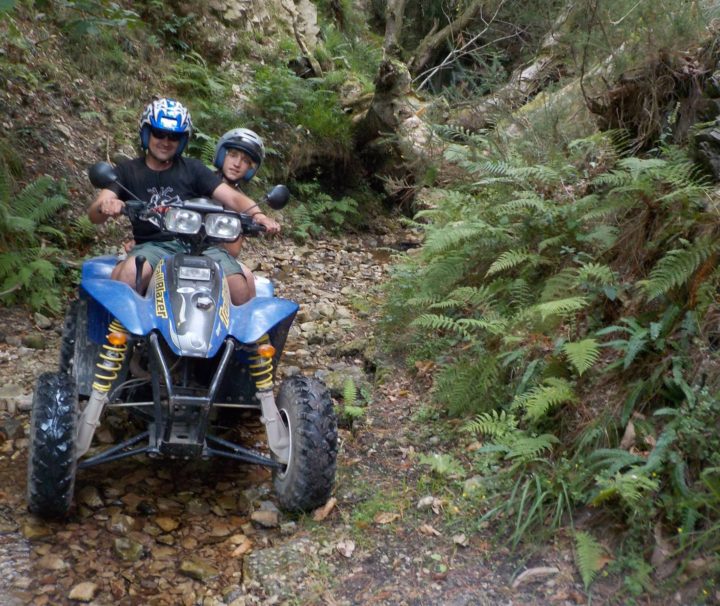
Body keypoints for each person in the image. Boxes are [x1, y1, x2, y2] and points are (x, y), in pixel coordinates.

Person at [88, 98, 279, 305]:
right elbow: (95, 213)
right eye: (159, 133)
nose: (166, 141)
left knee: (240, 289)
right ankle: (122, 335)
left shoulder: (193, 169)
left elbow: (232, 197)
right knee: (129, 275)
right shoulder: (127, 171)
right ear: (146, 133)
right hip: (154, 245)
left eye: (174, 136)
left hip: (200, 246)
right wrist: (107, 206)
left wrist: (258, 215)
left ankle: (236, 338)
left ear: (182, 141)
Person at [212, 127, 268, 299]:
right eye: (233, 155)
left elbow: (233, 250)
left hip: (221, 259)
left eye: (245, 161)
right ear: (223, 156)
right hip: (181, 250)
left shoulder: (245, 204)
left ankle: (243, 323)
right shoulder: (200, 182)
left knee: (248, 279)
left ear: (250, 168)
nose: (237, 164)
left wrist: (261, 221)